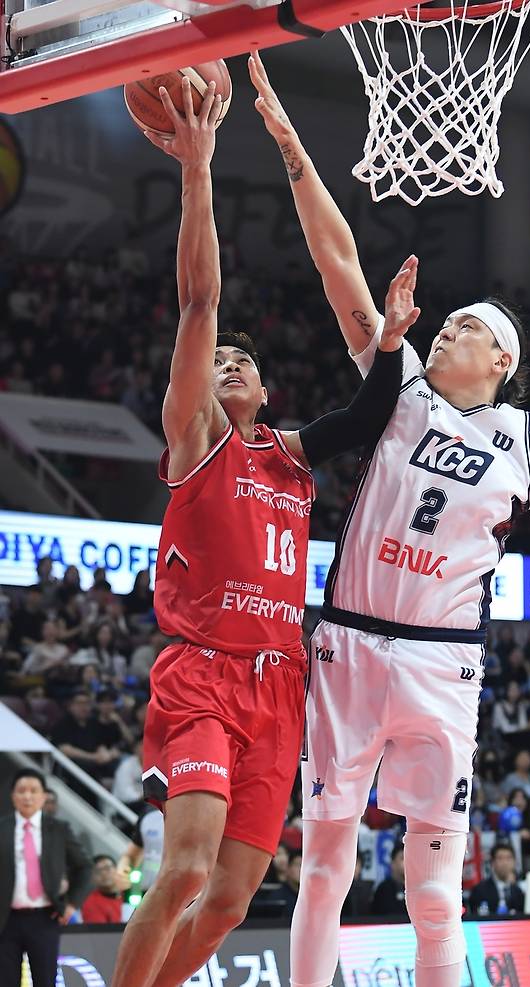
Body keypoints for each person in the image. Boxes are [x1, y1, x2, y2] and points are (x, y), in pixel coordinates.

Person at [249, 49, 530, 987]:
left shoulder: (527, 447)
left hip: (444, 665)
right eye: (450, 322)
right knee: (324, 867)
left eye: (468, 327)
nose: (448, 330)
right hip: (352, 643)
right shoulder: (396, 384)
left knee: (436, 897)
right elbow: (338, 263)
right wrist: (288, 140)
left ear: (501, 361)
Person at [110, 77, 417, 987]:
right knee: (186, 869)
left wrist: (390, 340)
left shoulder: (289, 453)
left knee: (233, 900)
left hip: (281, 687)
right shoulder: (197, 438)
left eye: (244, 361)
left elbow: (368, 412)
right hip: (205, 675)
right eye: (219, 363)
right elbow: (200, 303)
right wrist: (198, 168)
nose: (228, 364)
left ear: (268, 391)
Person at [0, 769, 92, 987]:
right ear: (13, 796)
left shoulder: (59, 829)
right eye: (22, 791)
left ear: (43, 796)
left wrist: (71, 904)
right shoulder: (2, 828)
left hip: (45, 917)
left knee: (45, 981)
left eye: (33, 791)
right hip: (6, 919)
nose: (27, 796)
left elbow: (85, 867)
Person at [468, 844, 524, 916]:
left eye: (508, 858)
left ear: (514, 862)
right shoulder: (479, 890)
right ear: (493, 862)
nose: (505, 863)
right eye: (500, 858)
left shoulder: (518, 892)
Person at [81, 855, 124, 924]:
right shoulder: (90, 902)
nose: (103, 873)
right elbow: (99, 930)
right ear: (92, 878)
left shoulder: (130, 894)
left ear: (117, 869)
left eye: (107, 868)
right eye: (98, 871)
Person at [371, 842, 407, 917]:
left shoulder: (415, 889)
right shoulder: (384, 889)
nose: (407, 862)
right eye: (403, 858)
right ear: (392, 863)